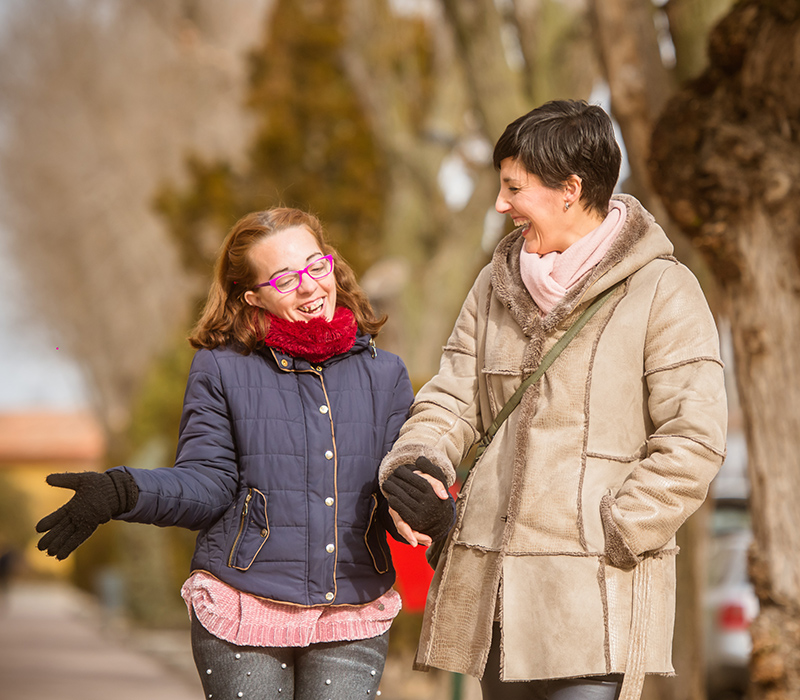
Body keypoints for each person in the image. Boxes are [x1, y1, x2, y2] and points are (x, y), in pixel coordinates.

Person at [379, 100, 727, 700]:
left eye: (514, 188)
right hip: (496, 603)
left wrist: (617, 531)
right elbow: (452, 397)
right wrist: (420, 462)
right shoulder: (494, 283)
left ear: (570, 189)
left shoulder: (663, 289)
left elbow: (694, 439)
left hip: (595, 600)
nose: (500, 204)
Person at [36, 207, 419, 699]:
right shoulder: (220, 368)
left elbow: (393, 487)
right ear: (252, 296)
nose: (308, 288)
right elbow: (208, 484)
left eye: (315, 266)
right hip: (244, 605)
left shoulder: (386, 374)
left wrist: (425, 507)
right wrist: (121, 490)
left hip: (351, 607)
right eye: (285, 279)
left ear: (331, 264)